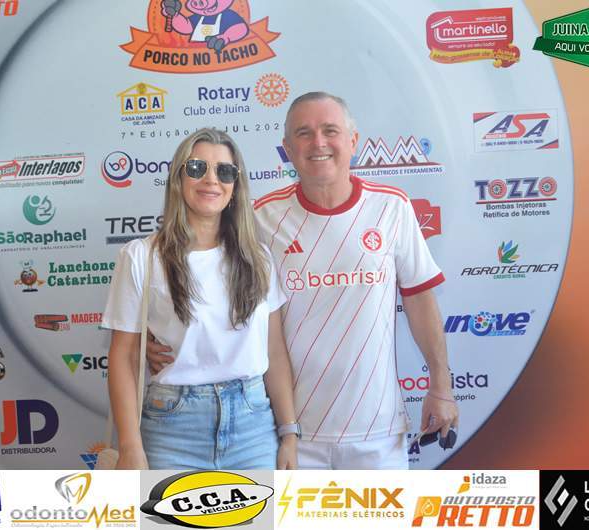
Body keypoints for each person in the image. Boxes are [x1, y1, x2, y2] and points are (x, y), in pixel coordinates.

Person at [148, 93, 459, 469]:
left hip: (377, 431)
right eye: (304, 133)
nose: (318, 143)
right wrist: (155, 335)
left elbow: (420, 299)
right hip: (290, 434)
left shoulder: (391, 207)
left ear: (353, 141)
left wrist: (441, 386)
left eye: (330, 131)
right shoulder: (260, 218)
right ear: (287, 148)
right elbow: (205, 278)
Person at [102, 128, 297, 470]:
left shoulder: (259, 258)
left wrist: (289, 434)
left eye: (225, 171)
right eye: (197, 168)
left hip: (253, 428)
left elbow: (275, 351)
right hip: (171, 429)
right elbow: (124, 356)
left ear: (236, 185)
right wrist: (130, 445)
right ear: (178, 179)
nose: (211, 180)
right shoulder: (140, 256)